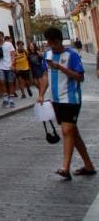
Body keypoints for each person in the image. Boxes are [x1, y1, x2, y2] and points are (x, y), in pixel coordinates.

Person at [37, 27, 96, 180]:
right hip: (55, 100)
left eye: (54, 43)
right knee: (72, 133)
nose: (51, 46)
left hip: (71, 99)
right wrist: (41, 94)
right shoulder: (47, 55)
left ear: (59, 41)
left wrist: (61, 68)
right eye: (49, 43)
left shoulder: (72, 55)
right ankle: (88, 165)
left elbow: (80, 77)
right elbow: (45, 75)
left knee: (66, 131)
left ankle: (65, 168)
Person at [0, 34, 17, 108]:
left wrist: (13, 64)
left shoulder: (9, 44)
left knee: (10, 83)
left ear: (3, 37)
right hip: (0, 67)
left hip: (9, 66)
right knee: (2, 82)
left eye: (0, 36)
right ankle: (5, 99)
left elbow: (13, 55)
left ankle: (11, 100)